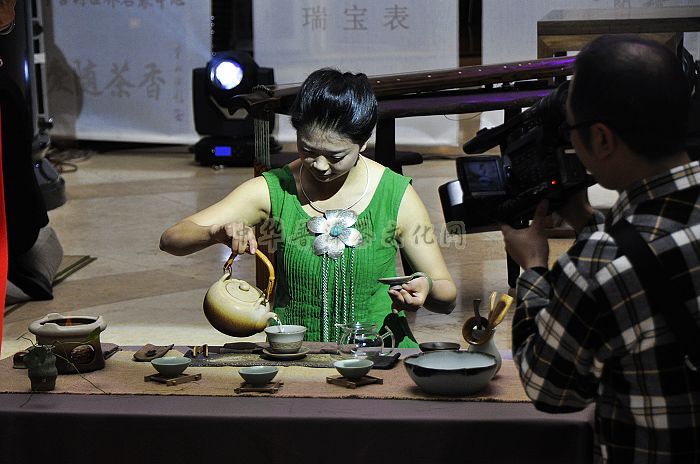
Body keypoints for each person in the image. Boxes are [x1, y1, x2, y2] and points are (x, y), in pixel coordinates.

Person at [501, 35, 700, 462]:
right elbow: (659, 246)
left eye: (571, 132)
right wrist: (585, 220)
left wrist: (533, 267)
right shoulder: (610, 254)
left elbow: (548, 387)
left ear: (602, 139)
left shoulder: (598, 264)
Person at [160, 68, 457, 346]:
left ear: (364, 142)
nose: (320, 165)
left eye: (336, 156)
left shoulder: (395, 195)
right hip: (295, 354)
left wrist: (427, 287)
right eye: (307, 149)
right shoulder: (275, 188)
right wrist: (214, 233)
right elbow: (171, 239)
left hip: (379, 354)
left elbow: (447, 295)